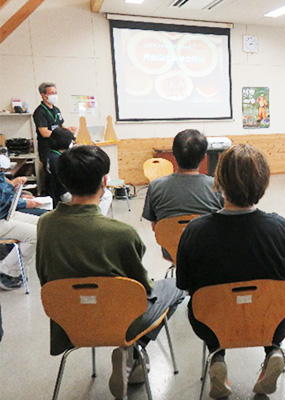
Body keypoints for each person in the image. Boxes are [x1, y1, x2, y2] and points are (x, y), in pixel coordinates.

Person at [36, 145, 185, 399]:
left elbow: (44, 276)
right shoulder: (121, 233)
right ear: (105, 181)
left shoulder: (45, 224)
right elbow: (143, 288)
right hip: (121, 321)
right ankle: (133, 349)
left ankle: (131, 352)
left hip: (69, 320)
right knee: (176, 286)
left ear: (63, 180)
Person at [177, 144, 285, 399]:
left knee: (211, 306)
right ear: (264, 182)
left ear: (219, 181)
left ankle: (217, 356)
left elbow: (184, 283)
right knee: (265, 301)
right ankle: (273, 351)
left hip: (211, 323)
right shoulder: (280, 227)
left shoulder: (195, 231)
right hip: (273, 321)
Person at [143, 129, 223, 259]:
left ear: (173, 155)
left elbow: (155, 227)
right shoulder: (216, 185)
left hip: (172, 251)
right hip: (209, 250)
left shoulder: (155, 186)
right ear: (203, 157)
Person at [0, 172, 43, 291]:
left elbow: (4, 187)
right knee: (36, 235)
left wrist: (18, 194)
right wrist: (23, 202)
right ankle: (7, 272)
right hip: (2, 218)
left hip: (6, 214)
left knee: (43, 224)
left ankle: (14, 269)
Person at [33, 82, 76, 192]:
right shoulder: (40, 112)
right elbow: (44, 132)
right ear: (43, 94)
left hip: (59, 147)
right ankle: (53, 196)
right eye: (51, 93)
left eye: (55, 93)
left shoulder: (56, 110)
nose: (54, 95)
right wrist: (61, 134)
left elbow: (61, 126)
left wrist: (68, 131)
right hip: (47, 148)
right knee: (52, 174)